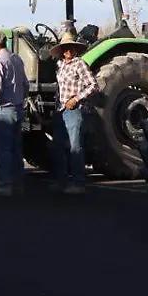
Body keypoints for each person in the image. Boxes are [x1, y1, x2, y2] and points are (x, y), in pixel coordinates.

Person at [50, 31, 96, 194]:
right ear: (62, 50)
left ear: (75, 49)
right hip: (60, 110)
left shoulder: (79, 64)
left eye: (71, 48)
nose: (68, 51)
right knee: (58, 146)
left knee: (75, 147)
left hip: (73, 110)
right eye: (66, 48)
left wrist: (76, 99)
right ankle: (60, 181)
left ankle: (78, 182)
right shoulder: (60, 65)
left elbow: (92, 85)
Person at [0, 30, 28, 196]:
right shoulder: (16, 58)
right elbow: (25, 84)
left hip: (5, 109)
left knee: (4, 149)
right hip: (18, 108)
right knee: (16, 148)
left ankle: (4, 185)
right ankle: (18, 184)